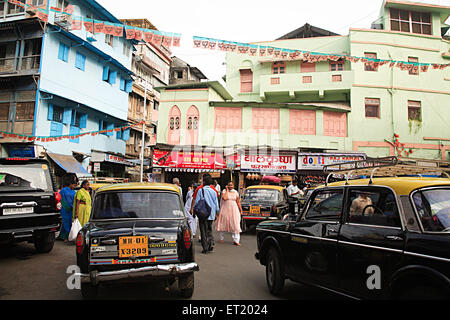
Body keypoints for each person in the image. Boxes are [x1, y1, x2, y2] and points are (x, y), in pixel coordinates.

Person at [192, 175, 219, 254]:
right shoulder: (214, 191)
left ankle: (205, 248)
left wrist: (194, 211)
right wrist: (216, 213)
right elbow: (216, 205)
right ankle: (210, 243)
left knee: (203, 231)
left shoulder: (201, 190)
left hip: (203, 214)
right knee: (209, 230)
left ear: (204, 182)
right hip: (211, 214)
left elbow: (197, 202)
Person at [216, 181, 243, 246]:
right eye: (229, 185)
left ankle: (236, 240)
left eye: (231, 185)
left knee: (235, 224)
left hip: (234, 210)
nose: (230, 186)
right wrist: (227, 190)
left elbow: (238, 202)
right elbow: (224, 198)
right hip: (225, 209)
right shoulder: (224, 191)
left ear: (233, 186)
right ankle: (221, 238)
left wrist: (240, 210)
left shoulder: (235, 192)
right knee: (223, 223)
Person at [57, 177, 77, 242]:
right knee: (65, 222)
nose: (74, 187)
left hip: (72, 210)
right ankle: (66, 236)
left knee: (70, 223)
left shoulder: (73, 191)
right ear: (70, 184)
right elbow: (61, 199)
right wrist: (66, 206)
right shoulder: (63, 190)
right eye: (73, 185)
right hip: (65, 209)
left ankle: (63, 236)